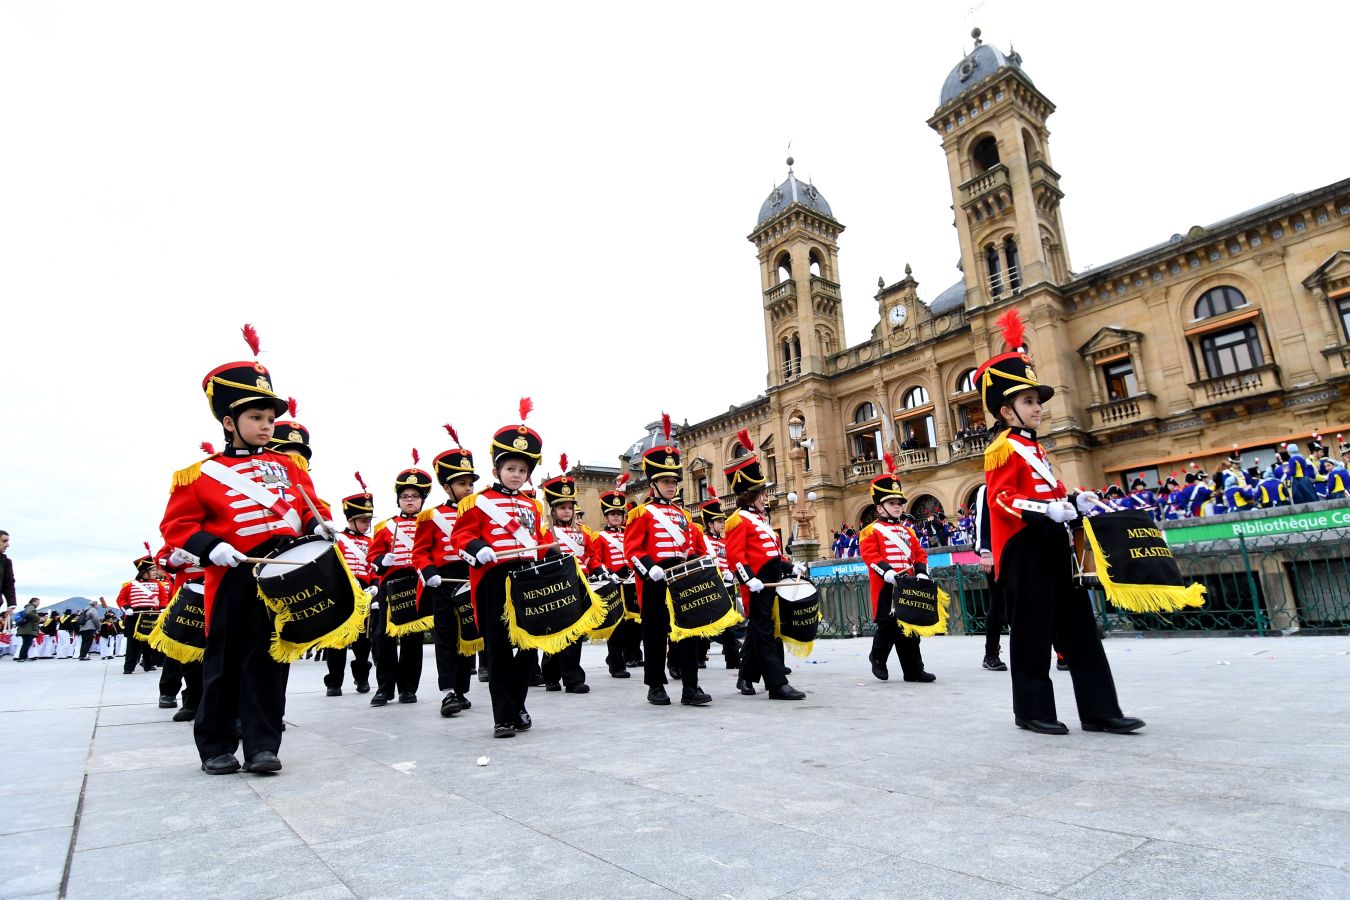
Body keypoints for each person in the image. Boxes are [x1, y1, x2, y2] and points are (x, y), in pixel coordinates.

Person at [160, 328, 334, 775]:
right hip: (232, 576)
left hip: (282, 575)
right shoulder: (199, 475)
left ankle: (262, 746)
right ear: (228, 422)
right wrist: (211, 547)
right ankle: (216, 745)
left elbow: (308, 507)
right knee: (222, 663)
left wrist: (318, 524)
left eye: (270, 418)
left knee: (269, 662)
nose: (266, 426)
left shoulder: (288, 466)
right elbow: (176, 526)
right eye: (256, 417)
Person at [976, 308, 1142, 736]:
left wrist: (1073, 500)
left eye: (1037, 401)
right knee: (1031, 631)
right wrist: (1044, 510)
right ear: (1006, 411)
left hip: (1054, 544)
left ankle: (1100, 710)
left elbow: (1050, 493)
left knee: (1080, 629)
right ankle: (1031, 710)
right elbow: (1001, 499)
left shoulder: (1037, 450)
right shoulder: (1002, 449)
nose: (1037, 408)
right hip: (1024, 548)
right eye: (1028, 402)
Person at [451, 399, 552, 738]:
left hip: (526, 582)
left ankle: (518, 705)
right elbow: (460, 536)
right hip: (494, 580)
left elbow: (539, 538)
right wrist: (477, 549)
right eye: (510, 468)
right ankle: (502, 716)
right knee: (497, 649)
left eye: (522, 470)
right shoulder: (476, 502)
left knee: (527, 647)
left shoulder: (532, 505)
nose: (517, 475)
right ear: (496, 470)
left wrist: (551, 550)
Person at [624, 413, 713, 708]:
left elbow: (695, 547)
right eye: (665, 481)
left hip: (682, 579)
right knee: (654, 635)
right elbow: (632, 550)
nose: (672, 486)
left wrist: (699, 562)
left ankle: (691, 687)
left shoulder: (684, 515)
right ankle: (656, 686)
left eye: (674, 481)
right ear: (653, 484)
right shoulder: (640, 513)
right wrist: (650, 569)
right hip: (655, 580)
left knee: (687, 633)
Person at [723, 431, 805, 700]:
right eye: (761, 493)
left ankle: (745, 676)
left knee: (759, 631)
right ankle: (776, 684)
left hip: (771, 581)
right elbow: (735, 556)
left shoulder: (761, 520)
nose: (765, 497)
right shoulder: (737, 520)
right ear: (748, 496)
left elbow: (772, 554)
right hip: (757, 584)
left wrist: (790, 568)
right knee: (765, 632)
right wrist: (749, 580)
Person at [414, 429, 479, 717]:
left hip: (470, 577)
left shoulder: (479, 512)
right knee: (445, 635)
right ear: (447, 487)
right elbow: (419, 551)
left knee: (468, 634)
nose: (468, 489)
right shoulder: (430, 516)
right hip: (442, 580)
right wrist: (429, 572)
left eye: (470, 483)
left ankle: (461, 690)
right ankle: (448, 691)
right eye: (462, 484)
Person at [859, 457, 937, 685]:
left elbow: (920, 554)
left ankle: (914, 670)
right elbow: (870, 555)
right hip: (886, 586)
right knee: (887, 626)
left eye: (899, 503)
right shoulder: (871, 530)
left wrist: (921, 571)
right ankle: (877, 658)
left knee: (910, 629)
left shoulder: (908, 531)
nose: (897, 507)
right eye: (892, 503)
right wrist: (887, 572)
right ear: (879, 507)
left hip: (908, 586)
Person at [366, 453, 433, 707]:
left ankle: (408, 688)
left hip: (417, 585)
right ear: (398, 499)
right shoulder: (384, 526)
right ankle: (384, 688)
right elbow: (372, 556)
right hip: (390, 586)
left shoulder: (430, 523)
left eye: (415, 496)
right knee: (383, 636)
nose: (410, 500)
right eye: (405, 496)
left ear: (422, 499)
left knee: (412, 638)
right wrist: (383, 560)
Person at [538, 456, 592, 695]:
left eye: (570, 507)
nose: (567, 511)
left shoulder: (583, 533)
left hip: (578, 584)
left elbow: (591, 556)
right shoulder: (544, 533)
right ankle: (551, 675)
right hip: (554, 587)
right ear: (553, 510)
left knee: (575, 633)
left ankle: (573, 678)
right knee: (554, 632)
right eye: (562, 507)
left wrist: (597, 569)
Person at [326, 474, 377, 696]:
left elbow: (375, 568)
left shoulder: (371, 542)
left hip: (364, 594)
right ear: (351, 520)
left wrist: (375, 585)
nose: (367, 524)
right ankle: (334, 682)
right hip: (341, 591)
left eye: (368, 520)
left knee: (363, 641)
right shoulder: (337, 539)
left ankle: (362, 678)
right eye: (363, 520)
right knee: (337, 640)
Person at [584, 475, 639, 677]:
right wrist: (608, 573)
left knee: (633, 625)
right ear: (606, 517)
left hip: (630, 583)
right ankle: (616, 665)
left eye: (619, 514)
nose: (616, 517)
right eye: (612, 514)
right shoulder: (598, 537)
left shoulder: (628, 534)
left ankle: (630, 655)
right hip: (613, 583)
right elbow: (595, 560)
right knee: (616, 625)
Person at [693, 490, 742, 672]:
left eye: (723, 521)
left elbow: (730, 560)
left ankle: (729, 658)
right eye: (719, 521)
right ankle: (705, 656)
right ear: (710, 523)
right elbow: (704, 564)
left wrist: (732, 573)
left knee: (728, 622)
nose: (723, 524)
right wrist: (721, 573)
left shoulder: (724, 541)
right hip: (711, 586)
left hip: (728, 586)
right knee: (708, 622)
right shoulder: (704, 541)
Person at [116, 551, 169, 674]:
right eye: (153, 570)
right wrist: (127, 608)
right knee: (132, 642)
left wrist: (162, 608)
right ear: (144, 572)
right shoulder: (130, 585)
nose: (156, 572)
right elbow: (121, 599)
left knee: (149, 642)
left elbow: (163, 598)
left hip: (151, 615)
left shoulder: (158, 585)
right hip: (134, 615)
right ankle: (129, 667)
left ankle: (148, 664)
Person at [973, 485, 1007, 671]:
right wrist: (985, 551)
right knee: (998, 604)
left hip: (1022, 551)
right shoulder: (987, 489)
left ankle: (1060, 652)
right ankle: (991, 654)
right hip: (997, 553)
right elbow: (982, 521)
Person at [0, 531, 15, 627]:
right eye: (4, 541)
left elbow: (9, 584)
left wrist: (11, 604)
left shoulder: (6, 562)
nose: (7, 545)